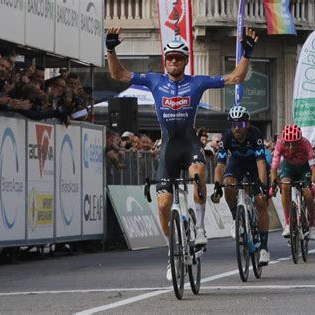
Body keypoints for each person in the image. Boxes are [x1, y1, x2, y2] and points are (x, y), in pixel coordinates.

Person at [106, 26, 259, 279]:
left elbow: (235, 78)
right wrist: (110, 49)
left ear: (186, 61)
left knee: (198, 174)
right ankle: (172, 253)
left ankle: (199, 229)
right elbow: (119, 75)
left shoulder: (197, 83)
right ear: (165, 61)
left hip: (189, 144)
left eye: (179, 57)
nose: (174, 61)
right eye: (170, 58)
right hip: (168, 147)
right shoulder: (154, 80)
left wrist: (247, 55)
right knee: (164, 204)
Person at [211, 106, 271, 266]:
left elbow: (261, 164)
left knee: (260, 202)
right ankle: (236, 219)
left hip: (254, 165)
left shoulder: (255, 134)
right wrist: (217, 186)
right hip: (237, 164)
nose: (237, 128)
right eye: (233, 125)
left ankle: (264, 249)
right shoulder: (227, 137)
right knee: (228, 185)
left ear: (248, 124)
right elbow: (220, 166)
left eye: (241, 125)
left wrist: (263, 186)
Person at [270, 124, 315, 240]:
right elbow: (274, 167)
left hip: (304, 168)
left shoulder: (305, 144)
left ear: (300, 140)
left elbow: (314, 168)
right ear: (284, 141)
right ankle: (288, 223)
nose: (291, 147)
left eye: (294, 143)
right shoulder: (280, 144)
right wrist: (273, 184)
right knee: (284, 186)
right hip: (289, 168)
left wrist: (313, 185)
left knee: (308, 193)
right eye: (288, 144)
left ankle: (312, 224)